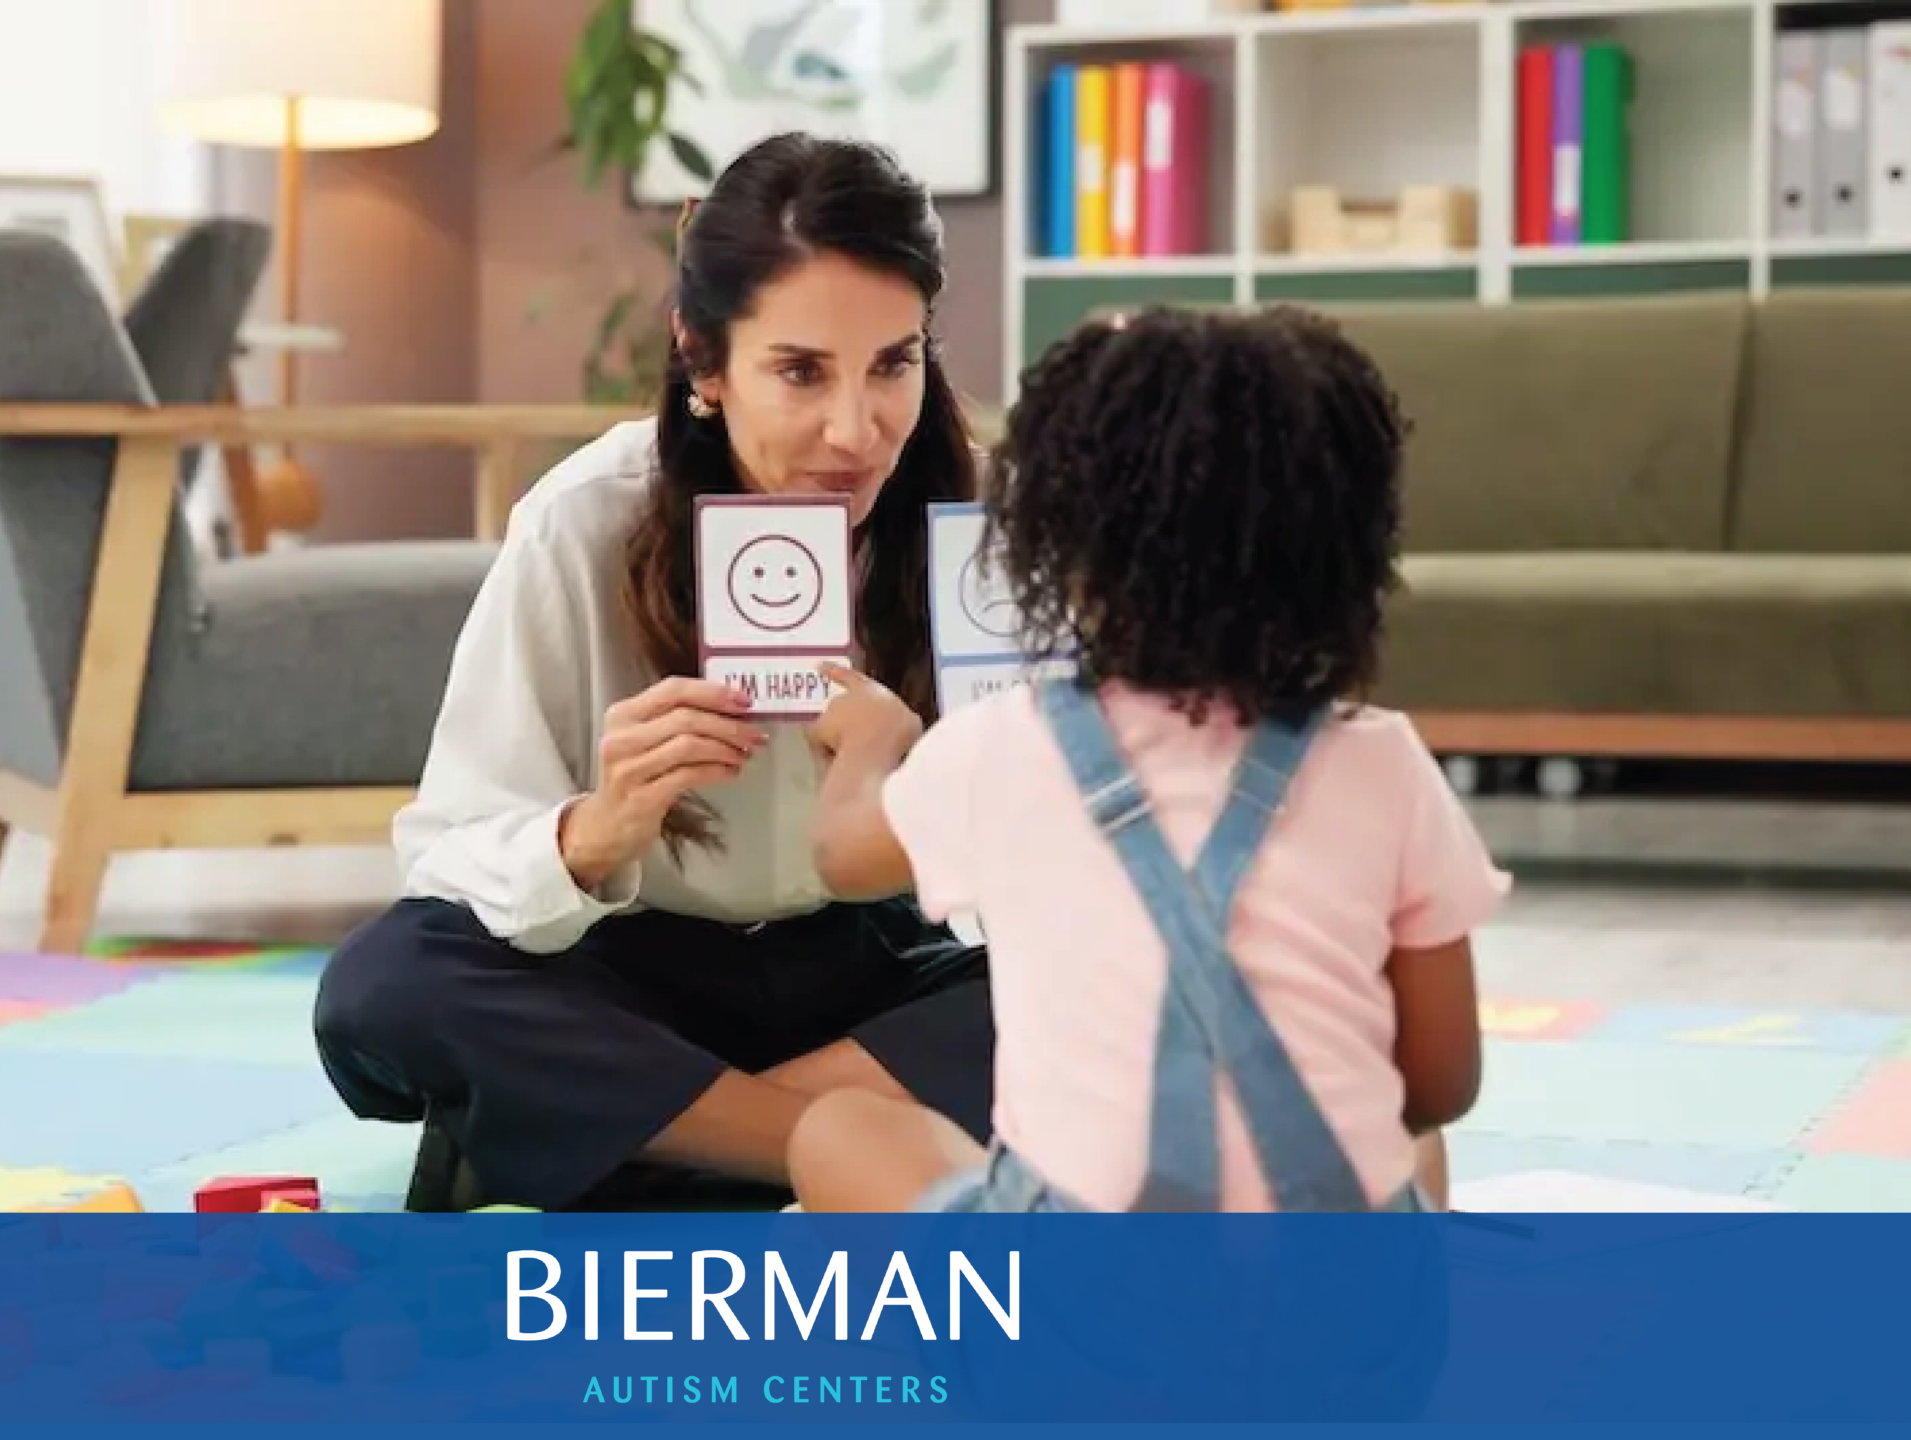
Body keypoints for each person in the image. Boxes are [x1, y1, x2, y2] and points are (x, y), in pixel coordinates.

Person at [310, 133, 992, 1211]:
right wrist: (596, 833)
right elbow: (444, 859)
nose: (856, 431)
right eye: (800, 371)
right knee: (385, 989)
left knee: (1143, 965)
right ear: (702, 359)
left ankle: (650, 1143)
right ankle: (855, 1152)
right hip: (632, 975)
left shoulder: (972, 531)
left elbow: (1061, 875)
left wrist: (924, 782)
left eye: (892, 365)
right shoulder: (582, 522)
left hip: (864, 974)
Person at [786, 304, 1507, 1214]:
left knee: (840, 1135)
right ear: (1351, 552)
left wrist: (877, 741)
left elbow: (843, 856)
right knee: (1415, 1148)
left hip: (1080, 1325)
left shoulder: (1006, 745)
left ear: (1055, 548)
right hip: (1355, 1336)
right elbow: (1441, 1086)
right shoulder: (1384, 763)